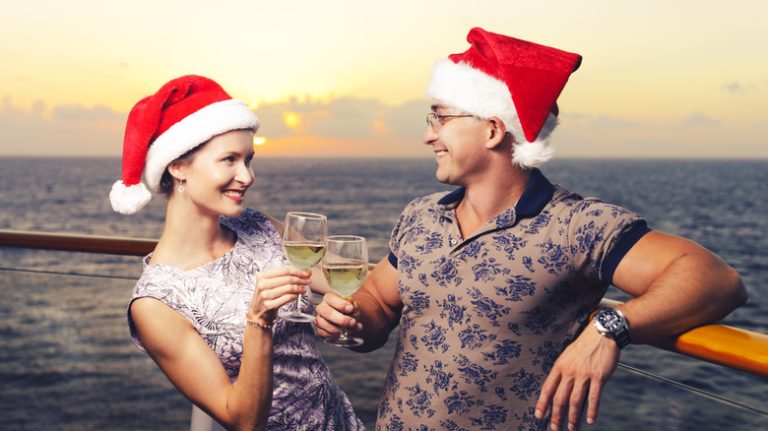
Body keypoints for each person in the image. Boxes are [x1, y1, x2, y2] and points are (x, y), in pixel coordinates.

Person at [315, 28, 747, 431]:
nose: (429, 137)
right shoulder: (421, 215)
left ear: (492, 130)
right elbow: (378, 303)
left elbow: (718, 281)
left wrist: (610, 329)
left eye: (439, 118)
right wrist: (352, 322)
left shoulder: (576, 225)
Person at [110, 75, 364, 430]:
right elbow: (242, 420)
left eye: (248, 159)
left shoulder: (257, 226)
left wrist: (347, 314)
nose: (247, 176)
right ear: (178, 166)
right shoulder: (155, 304)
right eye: (229, 159)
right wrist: (258, 320)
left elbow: (347, 284)